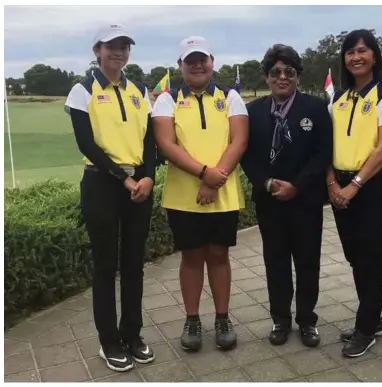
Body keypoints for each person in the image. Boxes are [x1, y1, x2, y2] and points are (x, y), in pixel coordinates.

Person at [64, 23, 156, 372]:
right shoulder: (82, 90)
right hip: (102, 183)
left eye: (124, 47)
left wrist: (147, 175)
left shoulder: (139, 90)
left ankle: (132, 334)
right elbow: (86, 143)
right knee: (105, 265)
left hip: (139, 183)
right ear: (97, 51)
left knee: (134, 263)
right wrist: (123, 178)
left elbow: (149, 139)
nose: (118, 52)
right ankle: (109, 341)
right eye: (111, 47)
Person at [152, 36, 248, 353]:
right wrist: (204, 173)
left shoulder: (231, 96)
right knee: (192, 257)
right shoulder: (167, 100)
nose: (197, 65)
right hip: (183, 196)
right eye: (189, 60)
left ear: (212, 61)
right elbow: (167, 144)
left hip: (221, 192)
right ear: (180, 65)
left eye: (201, 59)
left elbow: (239, 141)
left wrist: (213, 178)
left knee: (219, 255)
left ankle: (222, 318)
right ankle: (192, 319)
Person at [240, 44, 333, 347]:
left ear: (298, 76)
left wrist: (297, 186)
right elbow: (246, 156)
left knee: (307, 262)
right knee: (275, 262)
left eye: (289, 72)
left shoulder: (315, 108)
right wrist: (266, 184)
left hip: (305, 200)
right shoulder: (252, 112)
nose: (282, 77)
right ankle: (280, 319)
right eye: (275, 72)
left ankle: (307, 320)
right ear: (267, 77)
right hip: (269, 201)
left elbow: (322, 154)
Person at [326, 29, 382, 358]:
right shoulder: (338, 99)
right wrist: (332, 185)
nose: (356, 57)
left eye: (362, 50)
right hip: (339, 188)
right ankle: (373, 318)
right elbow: (325, 148)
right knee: (355, 257)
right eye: (350, 52)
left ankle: (366, 326)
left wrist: (354, 186)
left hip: (373, 188)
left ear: (374, 56)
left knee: (370, 258)